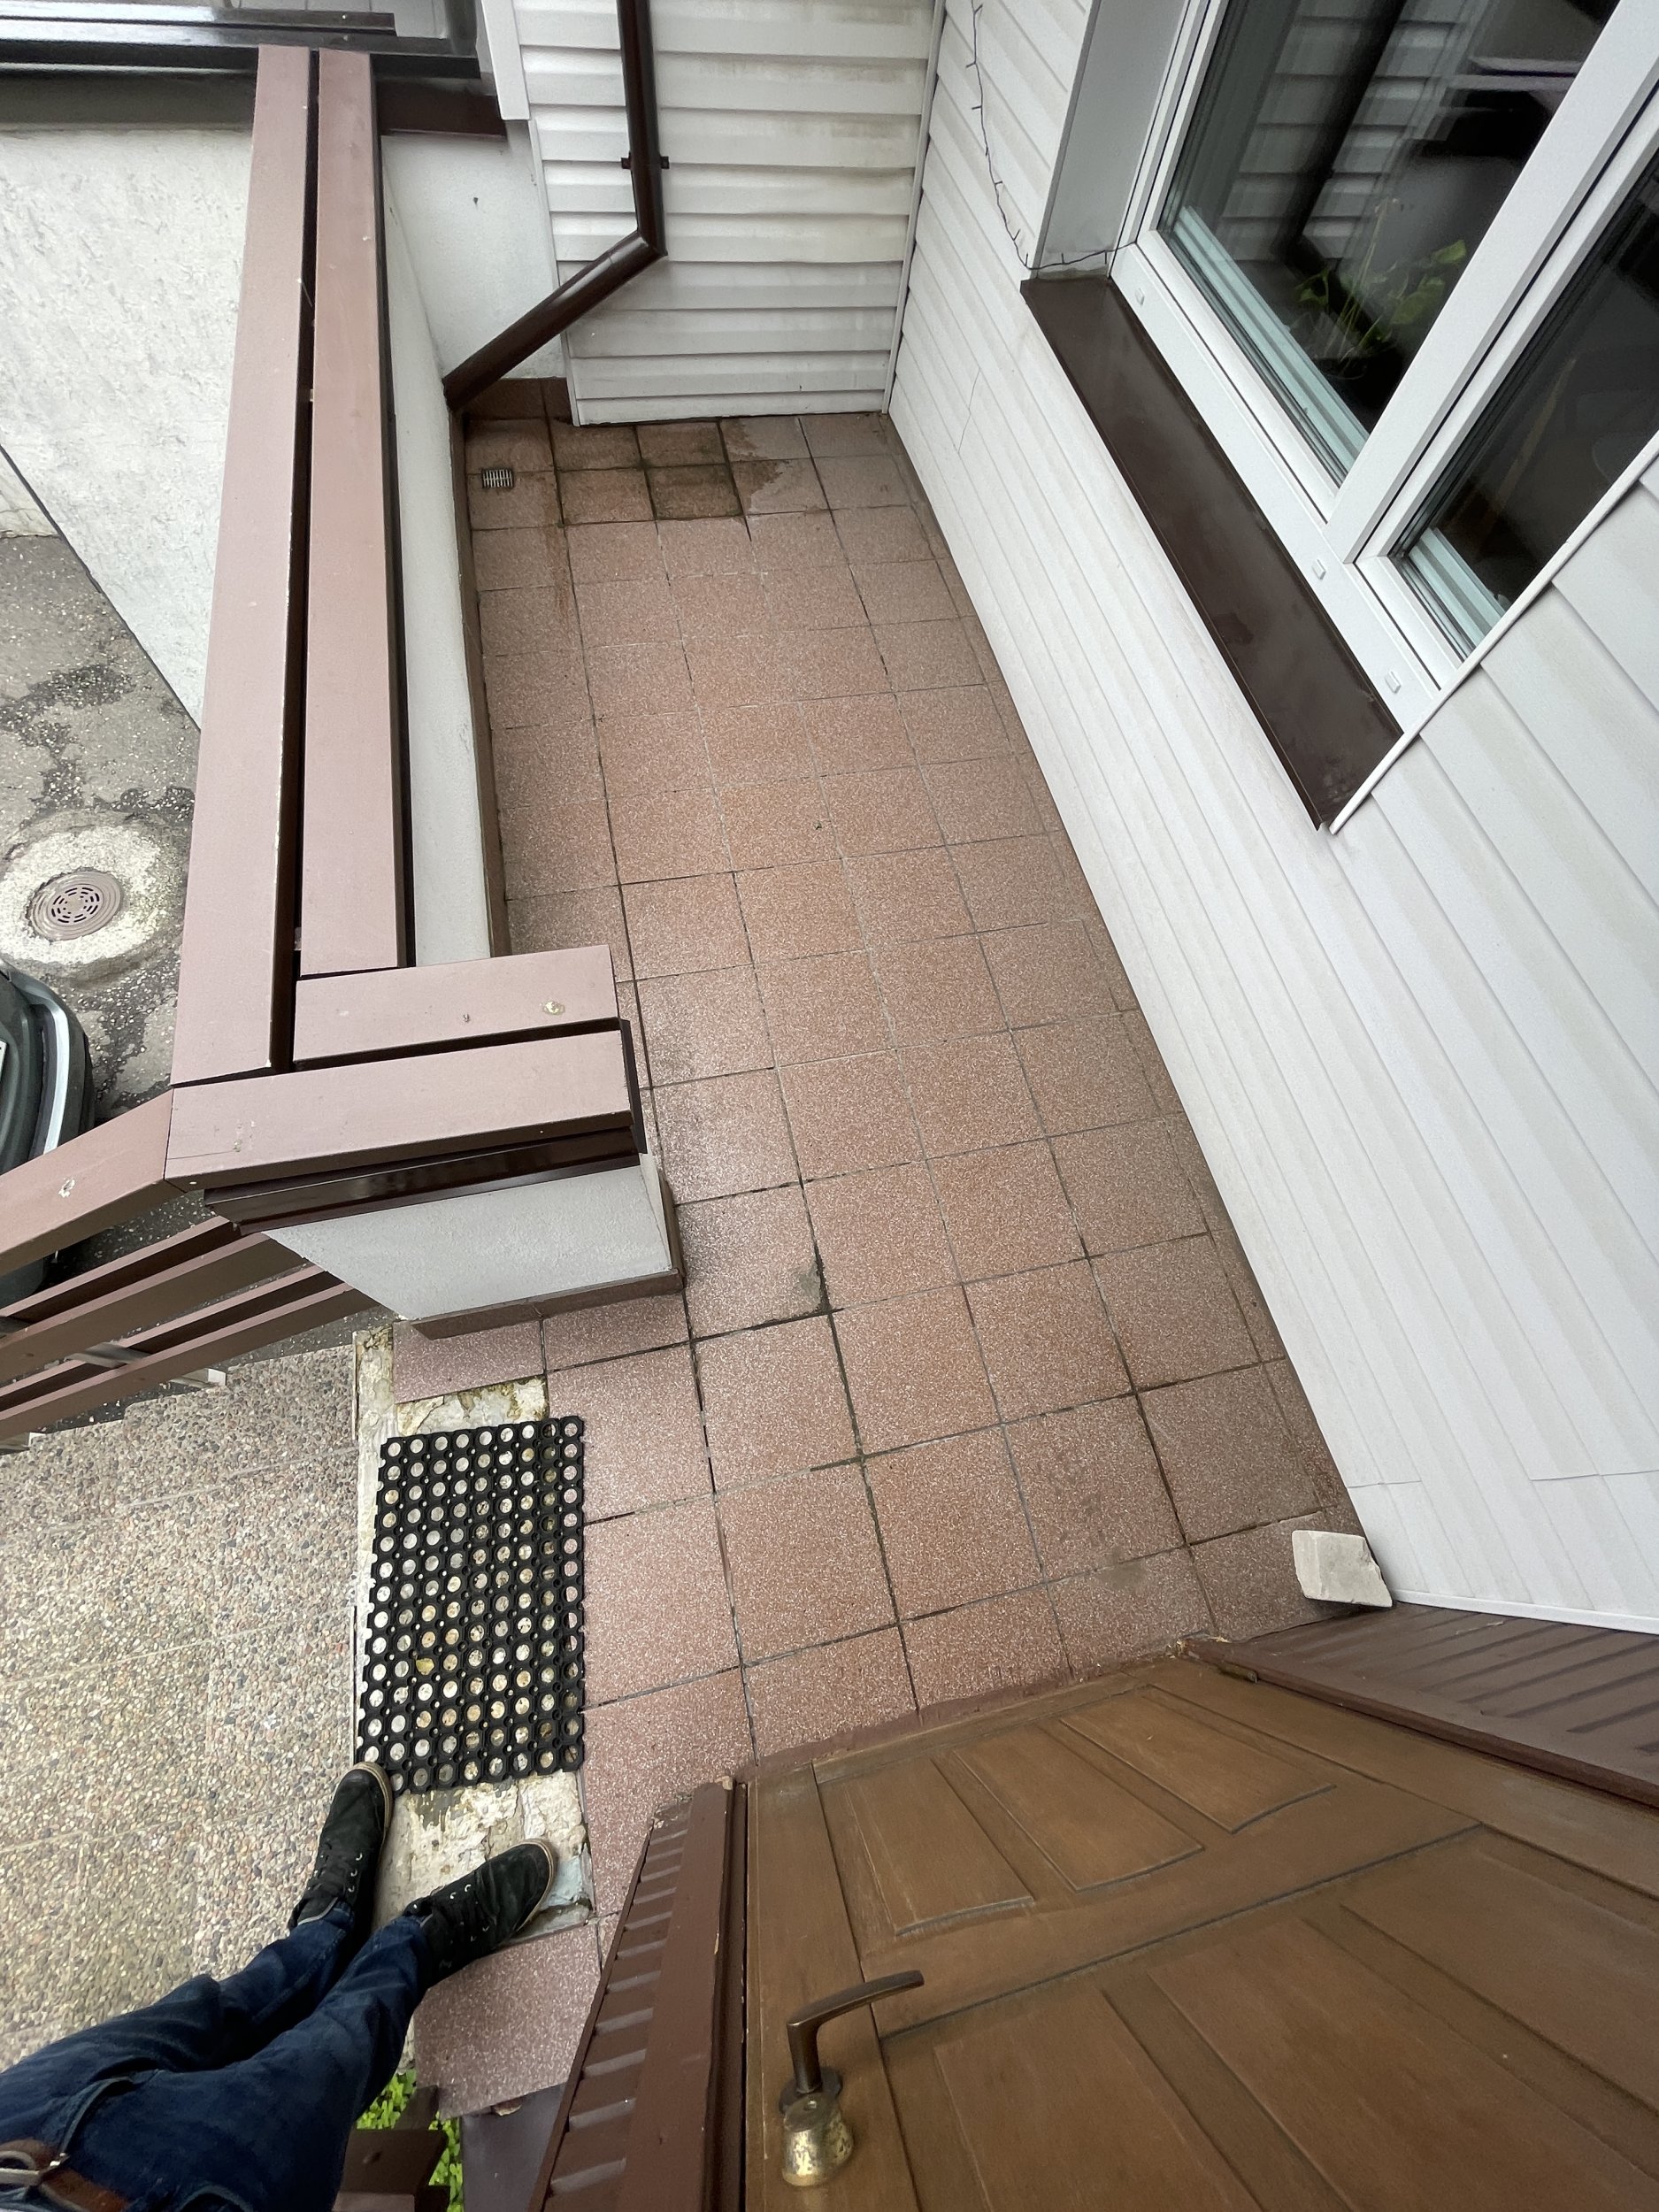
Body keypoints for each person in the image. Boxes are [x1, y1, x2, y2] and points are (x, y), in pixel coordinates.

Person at [0, 1763, 553, 2212]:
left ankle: (324, 1930)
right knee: (330, 2055)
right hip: (167, 2197)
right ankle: (418, 1943)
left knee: (216, 2013)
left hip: (13, 2127)